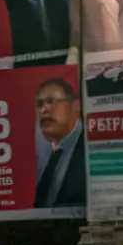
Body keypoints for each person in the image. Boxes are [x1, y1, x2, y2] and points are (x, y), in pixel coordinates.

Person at [33, 77, 86, 210]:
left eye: (51, 101)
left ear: (75, 106)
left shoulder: (91, 145)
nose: (44, 110)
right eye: (39, 104)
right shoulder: (44, 156)